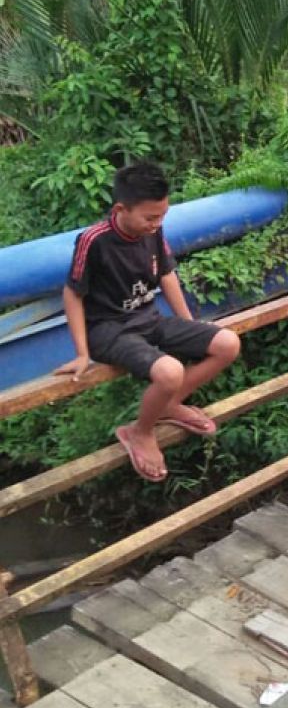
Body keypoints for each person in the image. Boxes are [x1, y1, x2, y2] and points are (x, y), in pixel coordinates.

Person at [57, 162, 241, 482]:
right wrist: (82, 353)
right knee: (170, 370)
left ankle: (168, 405)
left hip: (149, 317)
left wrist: (190, 326)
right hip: (109, 330)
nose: (157, 224)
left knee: (227, 343)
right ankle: (139, 432)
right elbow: (72, 294)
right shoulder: (93, 240)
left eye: (163, 216)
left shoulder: (153, 231)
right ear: (120, 209)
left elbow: (167, 275)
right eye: (150, 217)